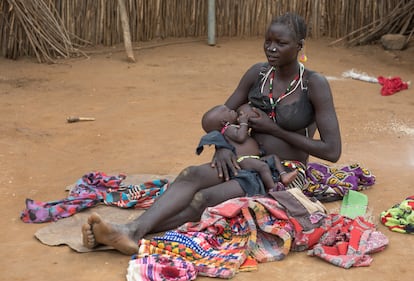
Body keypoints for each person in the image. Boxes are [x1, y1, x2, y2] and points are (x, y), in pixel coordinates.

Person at [82, 12, 341, 255]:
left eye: (281, 43)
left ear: (299, 46)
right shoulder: (258, 74)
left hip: (285, 172)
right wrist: (222, 148)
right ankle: (129, 231)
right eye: (268, 41)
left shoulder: (313, 84)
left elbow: (332, 151)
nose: (271, 48)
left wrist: (273, 129)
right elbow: (222, 115)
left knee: (205, 198)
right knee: (190, 174)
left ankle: (133, 232)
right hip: (245, 156)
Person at [200, 103, 298, 190]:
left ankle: (284, 176)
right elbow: (241, 137)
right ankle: (272, 188)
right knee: (263, 167)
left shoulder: (233, 127)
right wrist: (243, 122)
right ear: (224, 122)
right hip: (243, 159)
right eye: (230, 111)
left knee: (273, 157)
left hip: (253, 158)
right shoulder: (228, 129)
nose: (233, 110)